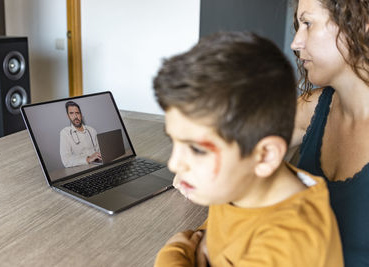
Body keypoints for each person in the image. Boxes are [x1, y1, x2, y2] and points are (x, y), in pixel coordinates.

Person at [152, 32, 343, 267]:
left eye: (197, 149)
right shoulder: (240, 186)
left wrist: (174, 251)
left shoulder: (291, 245)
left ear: (265, 156)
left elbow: (195, 245)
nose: (174, 164)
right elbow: (206, 240)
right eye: (175, 142)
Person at [290, 0, 369, 265]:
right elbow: (233, 144)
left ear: (362, 25)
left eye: (308, 24)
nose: (295, 43)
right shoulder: (312, 107)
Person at [60, 101, 101, 167]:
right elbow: (66, 161)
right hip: (81, 168)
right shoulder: (65, 133)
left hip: (97, 165)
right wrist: (88, 159)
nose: (75, 116)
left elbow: (100, 151)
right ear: (68, 116)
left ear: (81, 115)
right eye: (71, 113)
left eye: (77, 113)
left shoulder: (92, 130)